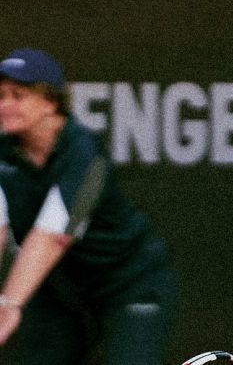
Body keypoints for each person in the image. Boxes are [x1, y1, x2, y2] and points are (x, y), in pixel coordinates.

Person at [0, 48, 176, 365]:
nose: (4, 105)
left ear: (50, 102)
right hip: (55, 292)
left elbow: (53, 236)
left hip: (128, 285)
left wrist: (10, 304)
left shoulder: (86, 154)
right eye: (0, 96)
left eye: (18, 96)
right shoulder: (3, 152)